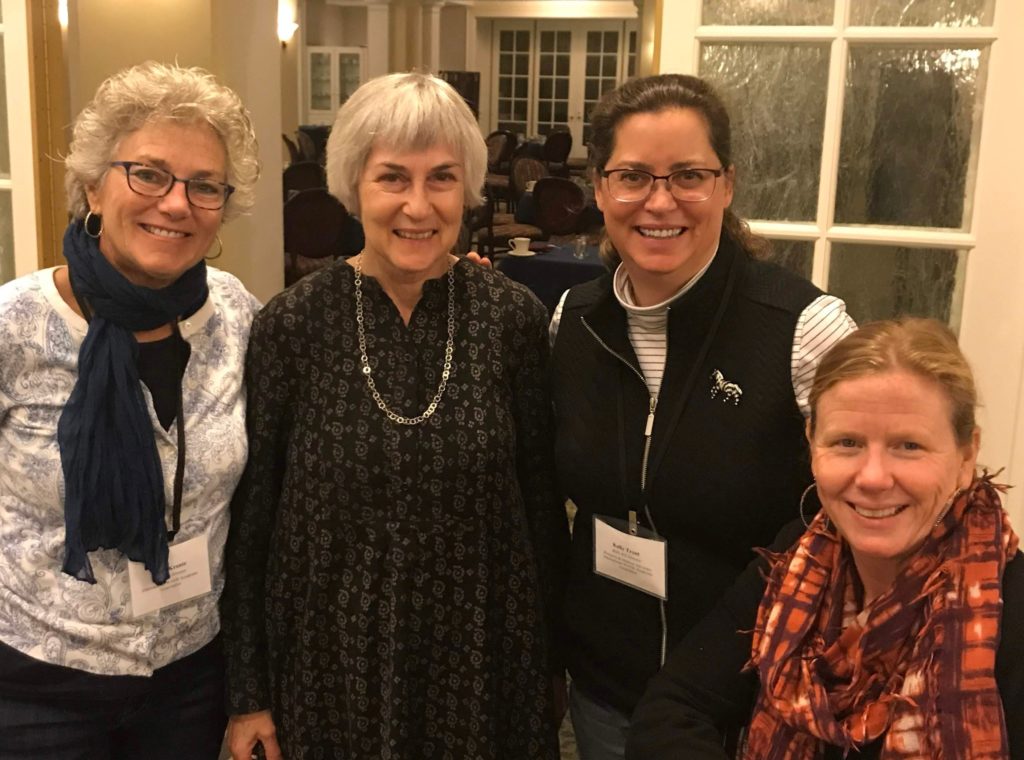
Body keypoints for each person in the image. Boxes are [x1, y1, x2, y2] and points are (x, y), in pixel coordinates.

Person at [220, 71, 568, 760]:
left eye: (441, 178)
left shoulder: (511, 319)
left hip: (480, 658)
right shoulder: (292, 324)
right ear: (354, 186)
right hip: (328, 665)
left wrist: (549, 660)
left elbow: (540, 508)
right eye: (392, 179)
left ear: (468, 188)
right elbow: (253, 521)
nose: (418, 205)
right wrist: (248, 691)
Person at [547, 73, 856, 758]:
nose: (660, 201)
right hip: (605, 693)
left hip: (751, 702)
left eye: (688, 174)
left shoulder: (804, 331)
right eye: (632, 176)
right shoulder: (574, 322)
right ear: (599, 188)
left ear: (726, 185)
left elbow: (863, 506)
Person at [0, 61, 261, 758]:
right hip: (37, 688)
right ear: (93, 184)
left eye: (203, 185)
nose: (176, 203)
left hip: (190, 680)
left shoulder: (237, 317)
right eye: (147, 173)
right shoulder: (15, 325)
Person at [626, 318, 1024, 759]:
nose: (872, 477)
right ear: (812, 443)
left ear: (967, 455)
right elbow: (672, 707)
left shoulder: (1013, 607)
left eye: (909, 445)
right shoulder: (792, 558)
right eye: (847, 442)